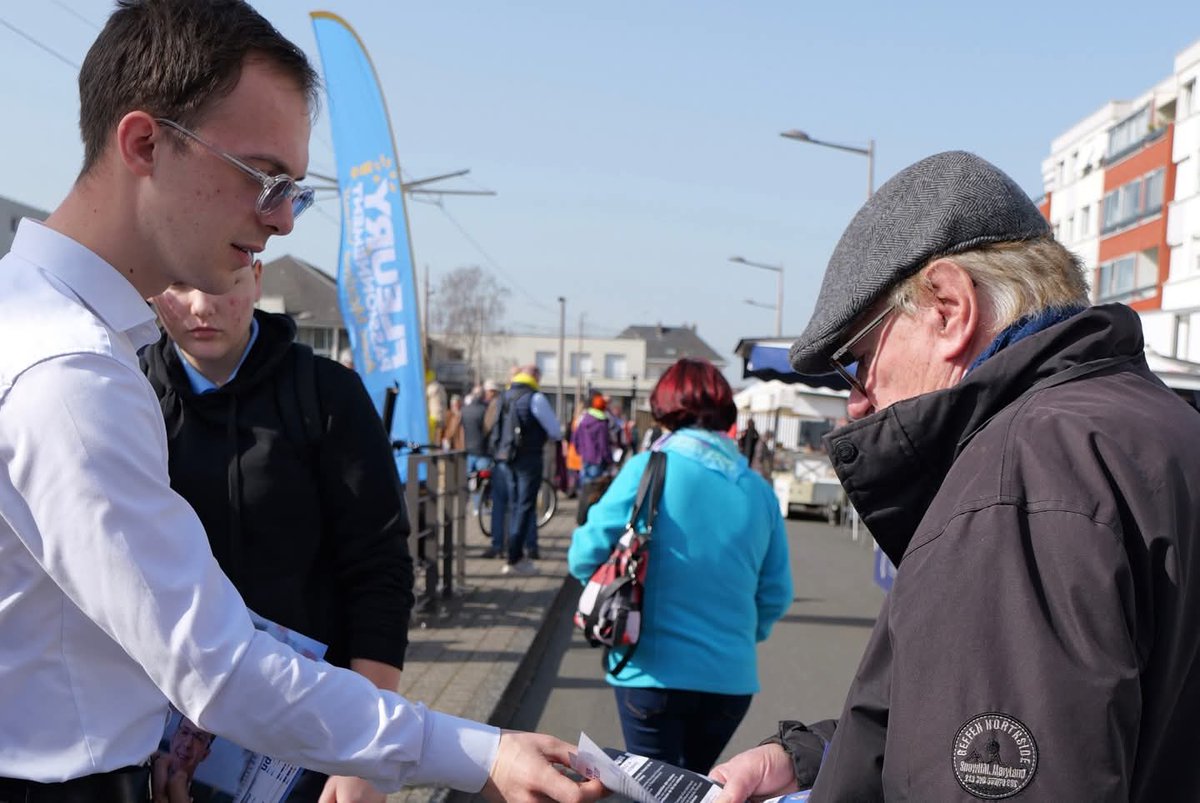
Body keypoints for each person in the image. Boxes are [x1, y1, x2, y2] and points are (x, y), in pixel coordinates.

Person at [0, 2, 603, 801]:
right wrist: (474, 750)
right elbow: (215, 666)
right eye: (263, 177)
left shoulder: (50, 329)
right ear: (144, 143)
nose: (283, 217)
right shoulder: (70, 373)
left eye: (295, 189)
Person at [710, 151, 1200, 802]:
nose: (856, 401)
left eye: (857, 362)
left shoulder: (1016, 481)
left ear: (947, 308)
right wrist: (813, 757)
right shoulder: (1154, 423)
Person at [141, 257, 414, 803]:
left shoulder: (327, 394)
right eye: (178, 284)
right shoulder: (126, 389)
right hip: (159, 737)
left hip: (310, 734)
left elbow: (379, 567)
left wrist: (364, 753)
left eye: (223, 281)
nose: (200, 306)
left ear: (257, 279)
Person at [568, 358, 793, 774]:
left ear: (664, 407)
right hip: (730, 678)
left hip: (649, 672)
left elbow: (583, 554)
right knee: (697, 783)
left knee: (653, 787)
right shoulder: (758, 490)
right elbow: (777, 592)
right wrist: (740, 632)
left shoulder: (648, 470)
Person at [494, 365, 562, 573]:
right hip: (529, 457)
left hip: (506, 457)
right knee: (525, 506)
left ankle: (510, 552)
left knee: (513, 505)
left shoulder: (504, 396)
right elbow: (555, 431)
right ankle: (515, 558)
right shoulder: (535, 398)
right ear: (535, 377)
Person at [462, 380, 498, 517]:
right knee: (483, 482)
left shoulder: (465, 410)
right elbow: (489, 429)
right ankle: (480, 507)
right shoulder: (485, 410)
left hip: (468, 451)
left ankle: (465, 507)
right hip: (483, 452)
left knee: (470, 481)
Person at [572, 392, 614, 484]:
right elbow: (604, 444)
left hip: (585, 457)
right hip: (597, 459)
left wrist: (581, 451)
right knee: (594, 489)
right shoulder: (601, 423)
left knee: (584, 485)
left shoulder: (583, 419)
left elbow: (575, 438)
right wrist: (609, 460)